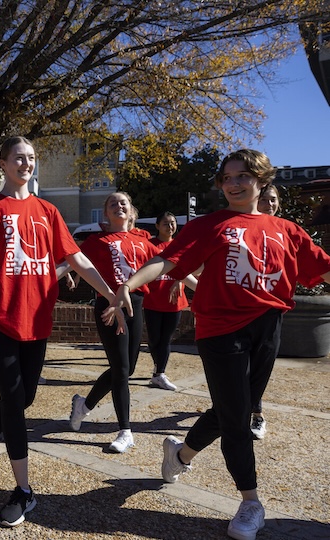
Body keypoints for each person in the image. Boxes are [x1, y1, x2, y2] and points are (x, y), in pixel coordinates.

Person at [108, 149, 330, 540]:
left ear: (262, 180)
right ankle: (251, 502)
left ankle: (180, 454)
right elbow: (167, 260)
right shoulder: (210, 225)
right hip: (221, 330)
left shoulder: (286, 230)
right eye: (227, 178)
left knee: (232, 409)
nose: (234, 184)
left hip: (269, 327)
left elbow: (322, 267)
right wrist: (128, 283)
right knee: (238, 418)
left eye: (242, 176)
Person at [0, 136, 124, 528]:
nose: (27, 164)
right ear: (2, 163)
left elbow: (77, 258)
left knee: (25, 397)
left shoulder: (48, 210)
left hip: (37, 319)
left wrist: (111, 291)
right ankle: (24, 491)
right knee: (14, 402)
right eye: (19, 158)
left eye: (32, 158)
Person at [70, 194, 194, 453]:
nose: (118, 206)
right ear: (105, 213)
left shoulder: (144, 241)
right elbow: (75, 262)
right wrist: (62, 277)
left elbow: (172, 267)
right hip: (110, 305)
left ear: (132, 211)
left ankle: (84, 405)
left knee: (126, 368)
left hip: (136, 304)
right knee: (121, 368)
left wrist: (201, 287)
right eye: (112, 203)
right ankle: (125, 430)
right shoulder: (97, 241)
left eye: (123, 202)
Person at [142, 211, 189, 392]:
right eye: (166, 223)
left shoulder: (180, 245)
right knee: (155, 339)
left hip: (174, 300)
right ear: (157, 226)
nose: (170, 227)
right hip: (153, 298)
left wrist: (179, 280)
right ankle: (157, 368)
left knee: (166, 339)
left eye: (173, 223)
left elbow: (187, 267)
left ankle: (159, 373)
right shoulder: (149, 245)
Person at [248, 184, 279, 439]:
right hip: (240, 312)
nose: (270, 205)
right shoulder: (243, 231)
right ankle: (238, 412)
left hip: (270, 313)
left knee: (261, 368)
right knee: (241, 370)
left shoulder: (284, 232)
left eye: (274, 200)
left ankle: (257, 414)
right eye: (265, 200)